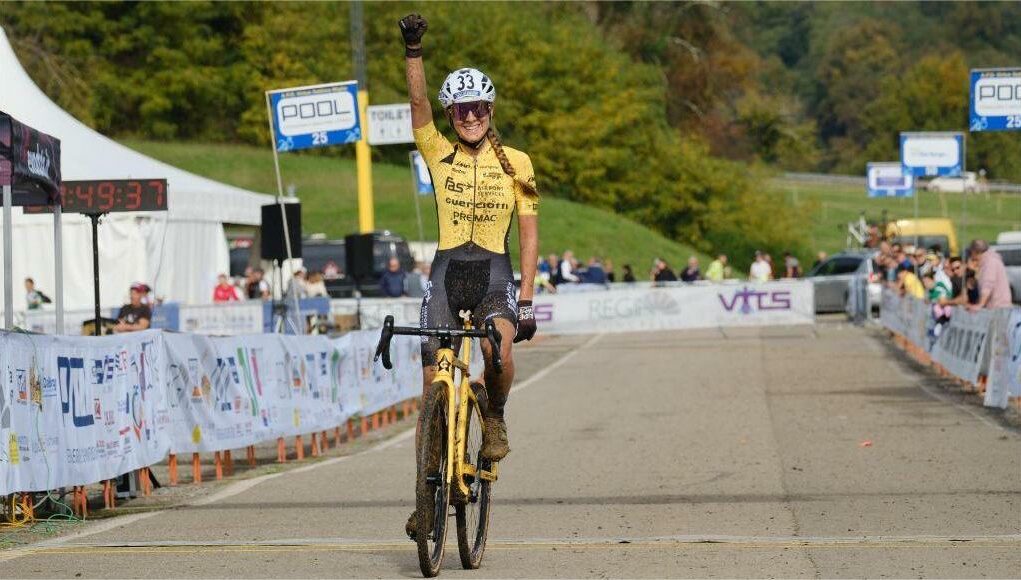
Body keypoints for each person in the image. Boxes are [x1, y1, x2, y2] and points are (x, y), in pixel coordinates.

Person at [401, 10, 539, 527]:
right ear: (452, 114)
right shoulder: (438, 153)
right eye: (461, 110)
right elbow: (418, 107)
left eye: (478, 108)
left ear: (490, 109)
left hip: (494, 276)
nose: (470, 117)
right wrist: (413, 52)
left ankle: (495, 415)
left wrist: (527, 298)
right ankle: (425, 498)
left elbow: (528, 234)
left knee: (496, 349)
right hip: (445, 274)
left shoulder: (517, 163)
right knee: (430, 385)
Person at [967, 239, 1012, 311]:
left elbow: (988, 285)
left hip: (998, 307)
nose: (971, 256)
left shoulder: (990, 262)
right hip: (999, 306)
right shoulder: (990, 260)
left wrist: (980, 304)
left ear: (975, 251)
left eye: (971, 252)